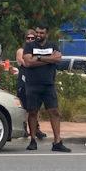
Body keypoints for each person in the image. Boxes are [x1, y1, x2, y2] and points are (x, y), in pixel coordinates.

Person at [22, 23, 70, 152]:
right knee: (32, 112)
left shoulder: (52, 45)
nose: (38, 35)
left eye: (41, 33)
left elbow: (58, 59)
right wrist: (49, 58)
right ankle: (32, 141)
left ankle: (57, 142)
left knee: (54, 112)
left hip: (49, 84)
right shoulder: (29, 45)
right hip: (33, 84)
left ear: (46, 34)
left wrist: (37, 58)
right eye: (37, 32)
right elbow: (28, 62)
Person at [16, 30, 46, 139]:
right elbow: (27, 63)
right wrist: (39, 60)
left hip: (35, 82)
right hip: (24, 83)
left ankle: (36, 129)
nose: (30, 40)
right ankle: (23, 128)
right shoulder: (21, 51)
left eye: (32, 38)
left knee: (35, 107)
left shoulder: (38, 50)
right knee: (23, 107)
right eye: (28, 38)